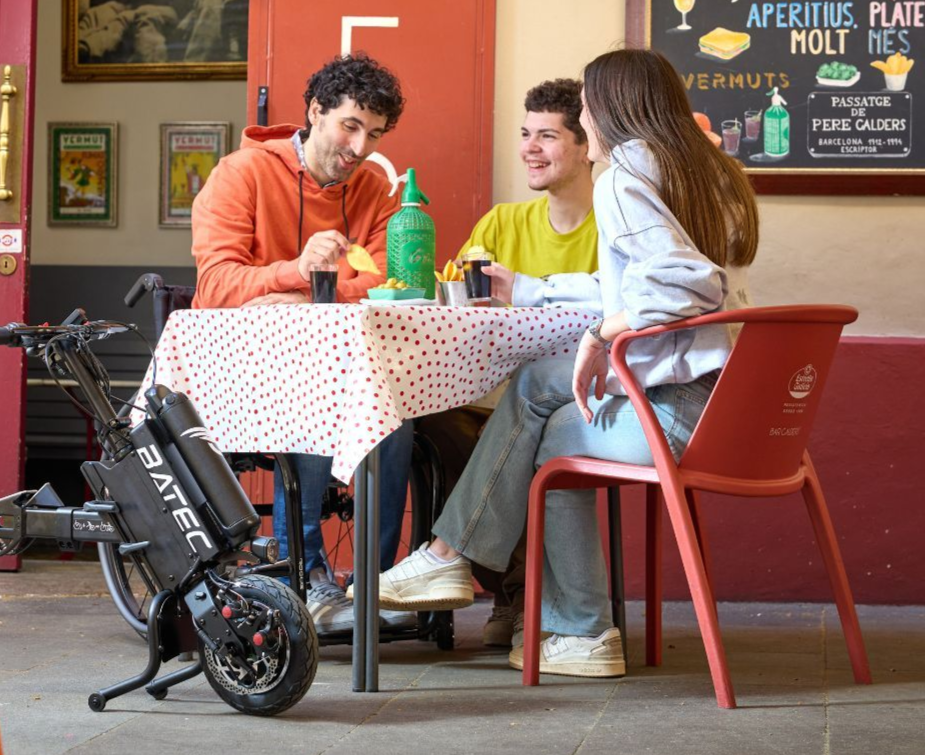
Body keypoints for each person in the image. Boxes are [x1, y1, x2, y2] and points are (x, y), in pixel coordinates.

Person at [367, 48, 758, 678]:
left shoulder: (624, 175)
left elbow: (688, 285)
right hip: (728, 408)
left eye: (586, 108)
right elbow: (631, 282)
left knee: (547, 435)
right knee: (539, 397)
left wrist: (603, 333)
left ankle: (565, 620)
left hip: (674, 414)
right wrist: (534, 290)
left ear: (609, 110)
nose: (585, 119)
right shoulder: (707, 172)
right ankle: (489, 582)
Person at [190, 53, 414, 635]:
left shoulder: (375, 190)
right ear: (316, 111)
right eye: (350, 126)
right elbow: (216, 285)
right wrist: (297, 270)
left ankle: (375, 583)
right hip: (239, 370)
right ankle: (307, 575)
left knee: (396, 414)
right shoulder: (240, 173)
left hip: (339, 365)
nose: (360, 147)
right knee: (318, 398)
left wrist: (296, 296)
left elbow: (387, 283)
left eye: (375, 134)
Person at [411, 78, 598, 650]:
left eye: (548, 136)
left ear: (586, 145)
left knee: (525, 432)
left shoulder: (614, 228)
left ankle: (507, 591)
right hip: (487, 393)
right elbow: (455, 315)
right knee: (432, 424)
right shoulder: (500, 224)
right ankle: (514, 593)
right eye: (525, 134)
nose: (529, 149)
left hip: (575, 396)